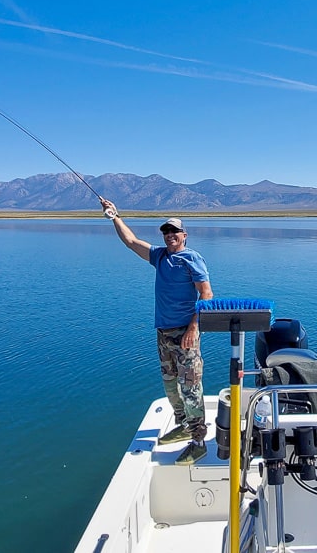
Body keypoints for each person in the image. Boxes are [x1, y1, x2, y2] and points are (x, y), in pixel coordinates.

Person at [101, 198, 213, 465]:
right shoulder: (159, 256)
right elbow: (131, 242)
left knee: (190, 387)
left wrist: (193, 328)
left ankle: (198, 442)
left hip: (186, 333)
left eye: (174, 232)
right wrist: (114, 216)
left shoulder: (192, 258)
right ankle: (183, 425)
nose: (170, 236)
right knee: (170, 386)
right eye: (166, 232)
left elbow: (206, 294)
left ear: (184, 235)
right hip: (163, 333)